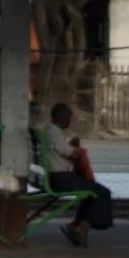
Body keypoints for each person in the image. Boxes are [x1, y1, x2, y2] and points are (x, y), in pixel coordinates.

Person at [45, 102, 113, 247]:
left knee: (90, 191)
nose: (70, 121)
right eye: (69, 117)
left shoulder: (49, 131)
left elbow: (60, 150)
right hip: (61, 179)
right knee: (102, 193)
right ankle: (82, 227)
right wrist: (78, 149)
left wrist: (71, 145)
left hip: (55, 177)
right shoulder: (54, 132)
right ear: (63, 117)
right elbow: (73, 155)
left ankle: (77, 225)